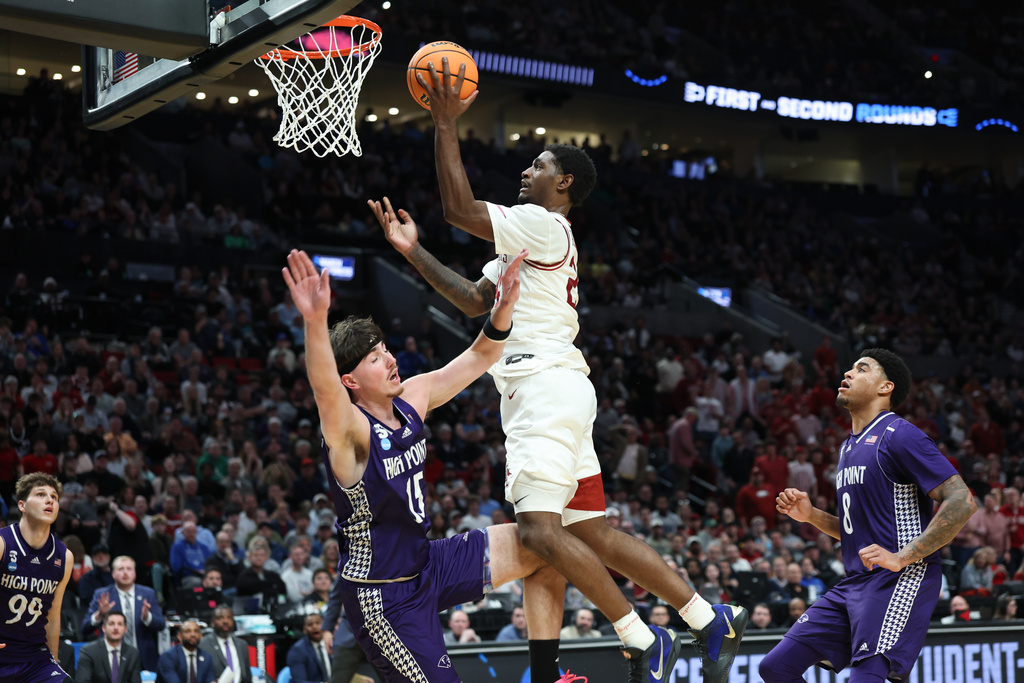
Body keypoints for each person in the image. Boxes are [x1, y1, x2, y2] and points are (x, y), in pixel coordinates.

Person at [376, 59, 747, 683]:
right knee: (593, 535)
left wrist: (444, 123)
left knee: (540, 533)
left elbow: (459, 208)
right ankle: (709, 619)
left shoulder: (544, 224)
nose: (527, 170)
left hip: (541, 389)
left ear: (564, 181)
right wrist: (414, 254)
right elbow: (474, 299)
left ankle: (640, 637)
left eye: (538, 164)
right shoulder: (533, 242)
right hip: (566, 388)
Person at [282, 248, 575, 683]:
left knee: (546, 544)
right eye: (375, 358)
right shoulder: (350, 433)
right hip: (383, 597)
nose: (390, 360)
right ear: (351, 381)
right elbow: (324, 390)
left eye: (385, 349)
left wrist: (504, 308)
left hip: (428, 564)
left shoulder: (412, 398)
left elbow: (479, 357)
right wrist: (314, 321)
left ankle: (546, 677)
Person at [760, 349, 978, 683]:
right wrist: (813, 516)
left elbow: (962, 501)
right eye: (849, 368)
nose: (847, 374)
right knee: (776, 667)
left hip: (901, 578)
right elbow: (858, 532)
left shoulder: (900, 434)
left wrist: (903, 556)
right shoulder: (848, 446)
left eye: (861, 369)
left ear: (885, 387)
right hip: (856, 581)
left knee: (864, 679)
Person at [0, 473, 74, 683]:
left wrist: (55, 660)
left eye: (54, 497)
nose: (50, 500)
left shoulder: (64, 557)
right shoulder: (3, 543)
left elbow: (52, 615)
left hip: (36, 660)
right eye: (41, 494)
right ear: (22, 506)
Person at [82, 555, 166, 672]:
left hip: (144, 659)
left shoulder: (148, 593)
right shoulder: (102, 595)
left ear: (135, 572)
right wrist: (100, 615)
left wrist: (147, 617)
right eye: (121, 569)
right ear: (113, 574)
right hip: (111, 659)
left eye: (129, 569)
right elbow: (85, 628)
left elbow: (161, 625)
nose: (125, 573)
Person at [74, 610, 143, 683]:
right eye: (111, 624)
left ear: (125, 629)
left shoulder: (132, 653)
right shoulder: (89, 652)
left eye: (120, 624)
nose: (116, 627)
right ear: (103, 628)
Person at [199, 605, 252, 683]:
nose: (225, 621)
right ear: (212, 622)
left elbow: (247, 676)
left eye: (229, 618)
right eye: (220, 618)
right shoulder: (203, 645)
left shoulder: (242, 645)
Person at [286, 613, 335, 683]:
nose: (314, 627)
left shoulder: (333, 645)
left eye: (318, 623)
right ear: (304, 629)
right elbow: (299, 681)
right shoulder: (297, 650)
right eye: (310, 625)